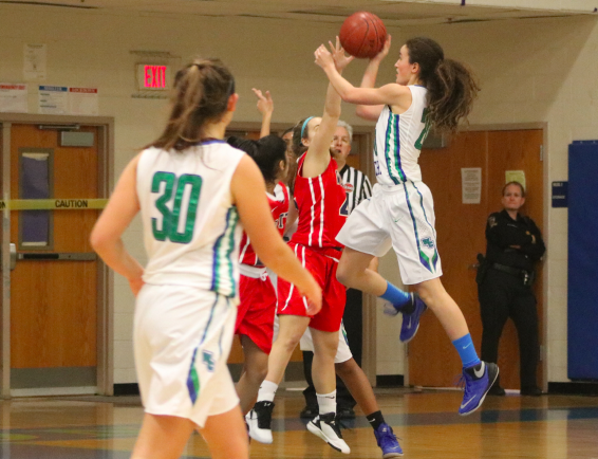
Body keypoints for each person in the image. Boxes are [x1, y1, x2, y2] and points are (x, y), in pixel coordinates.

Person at [89, 58, 321, 459]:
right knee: (161, 443)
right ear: (231, 104)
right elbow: (272, 249)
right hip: (193, 313)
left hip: (156, 309)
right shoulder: (234, 165)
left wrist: (134, 274)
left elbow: (103, 238)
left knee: (231, 444)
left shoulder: (147, 159)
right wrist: (308, 284)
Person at [315, 35, 499, 416]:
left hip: (405, 198)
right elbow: (366, 105)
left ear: (414, 67)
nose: (395, 64)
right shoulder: (402, 98)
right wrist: (375, 58)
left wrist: (328, 66)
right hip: (382, 197)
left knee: (433, 288)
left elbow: (351, 96)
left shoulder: (407, 96)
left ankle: (476, 368)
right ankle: (405, 303)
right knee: (347, 271)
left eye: (399, 59)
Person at [246, 39, 352, 454]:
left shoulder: (330, 174)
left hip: (332, 260)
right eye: (324, 133)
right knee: (289, 337)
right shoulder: (314, 161)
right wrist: (332, 70)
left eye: (341, 136)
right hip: (308, 257)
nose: (334, 136)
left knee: (325, 347)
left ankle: (325, 417)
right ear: (307, 143)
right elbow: (332, 112)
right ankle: (263, 408)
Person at [300, 120, 373, 420]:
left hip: (347, 265)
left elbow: (371, 224)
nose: (339, 143)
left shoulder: (360, 180)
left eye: (345, 139)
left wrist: (368, 262)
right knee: (312, 336)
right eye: (335, 137)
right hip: (316, 263)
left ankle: (344, 400)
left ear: (350, 146)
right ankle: (314, 398)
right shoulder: (313, 171)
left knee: (348, 336)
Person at [227, 134, 291, 415]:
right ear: (279, 164)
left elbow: (262, 155)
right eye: (286, 156)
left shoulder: (283, 191)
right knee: (207, 358)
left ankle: (232, 424)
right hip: (234, 279)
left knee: (259, 367)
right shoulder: (247, 193)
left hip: (262, 282)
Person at [477, 181, 545, 396]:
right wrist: (527, 241)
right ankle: (490, 384)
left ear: (522, 200)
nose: (512, 198)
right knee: (492, 331)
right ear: (503, 199)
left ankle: (529, 384)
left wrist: (524, 242)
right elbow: (504, 237)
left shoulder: (528, 223)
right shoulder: (496, 220)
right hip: (497, 280)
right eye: (508, 194)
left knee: (529, 333)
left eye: (517, 195)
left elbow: (539, 248)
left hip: (522, 284)